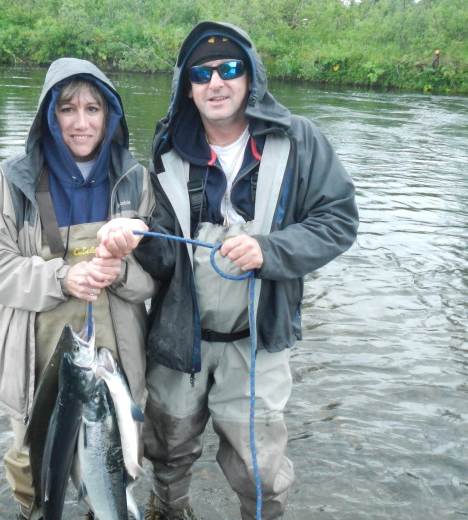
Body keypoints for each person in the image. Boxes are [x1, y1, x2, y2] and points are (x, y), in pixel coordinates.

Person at [97, 21, 359, 520]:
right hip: (179, 338)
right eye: (201, 73)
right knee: (167, 452)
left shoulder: (298, 139)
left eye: (229, 68)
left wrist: (270, 250)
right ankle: (168, 512)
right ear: (187, 87)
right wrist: (132, 236)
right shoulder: (167, 150)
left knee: (258, 468)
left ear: (251, 76)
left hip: (255, 340)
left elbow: (338, 221)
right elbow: (165, 259)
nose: (215, 82)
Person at [0, 58, 155, 520]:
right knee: (33, 466)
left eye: (93, 109)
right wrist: (61, 277)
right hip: (34, 353)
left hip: (114, 356)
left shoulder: (137, 182)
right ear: (49, 116)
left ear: (110, 115)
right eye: (67, 109)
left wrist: (120, 271)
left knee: (112, 464)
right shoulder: (12, 182)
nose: (81, 122)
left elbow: (157, 277)